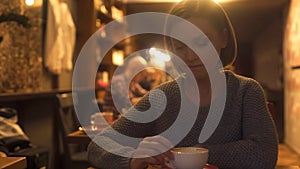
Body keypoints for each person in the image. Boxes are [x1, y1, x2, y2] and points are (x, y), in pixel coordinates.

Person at [88, 1, 278, 169]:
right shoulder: (162, 97)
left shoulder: (245, 92)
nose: (190, 55)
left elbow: (264, 155)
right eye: (180, 46)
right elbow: (98, 146)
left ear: (224, 38)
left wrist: (186, 154)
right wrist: (133, 158)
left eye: (202, 41)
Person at [102, 55, 163, 119]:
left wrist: (154, 82)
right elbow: (129, 102)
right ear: (135, 71)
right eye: (142, 73)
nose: (143, 77)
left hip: (125, 119)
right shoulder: (118, 81)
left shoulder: (133, 83)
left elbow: (147, 95)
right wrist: (155, 99)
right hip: (113, 121)